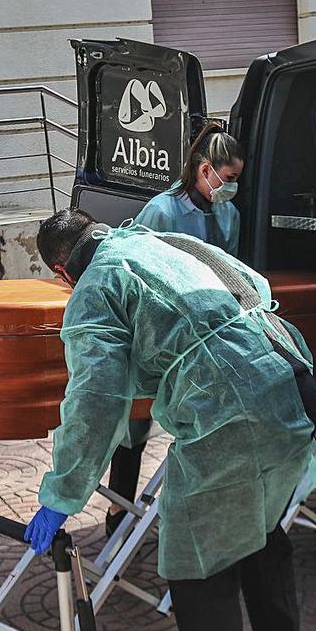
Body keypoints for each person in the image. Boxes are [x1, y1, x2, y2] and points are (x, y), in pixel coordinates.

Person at [24, 209, 316, 631]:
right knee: (259, 535)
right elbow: (251, 285)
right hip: (290, 381)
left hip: (232, 420)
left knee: (196, 564)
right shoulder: (156, 241)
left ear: (62, 272)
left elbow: (95, 401)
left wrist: (62, 494)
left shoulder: (95, 287)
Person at [100, 123, 247, 535]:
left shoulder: (228, 213)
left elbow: (231, 272)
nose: (231, 188)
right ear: (205, 171)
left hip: (206, 336)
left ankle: (191, 512)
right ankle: (118, 516)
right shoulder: (162, 210)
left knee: (200, 424)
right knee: (134, 429)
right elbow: (135, 273)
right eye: (228, 179)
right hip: (157, 331)